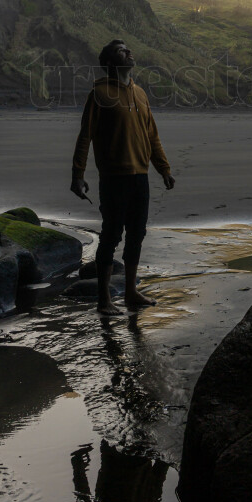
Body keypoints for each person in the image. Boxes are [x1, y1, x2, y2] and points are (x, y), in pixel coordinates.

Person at [71, 39, 175, 315]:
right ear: (109, 62)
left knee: (137, 234)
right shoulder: (99, 93)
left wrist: (163, 169)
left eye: (128, 49)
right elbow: (86, 135)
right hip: (113, 177)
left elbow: (152, 135)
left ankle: (130, 292)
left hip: (139, 176)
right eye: (121, 51)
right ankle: (104, 299)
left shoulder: (140, 93)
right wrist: (77, 174)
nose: (129, 53)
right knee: (111, 235)